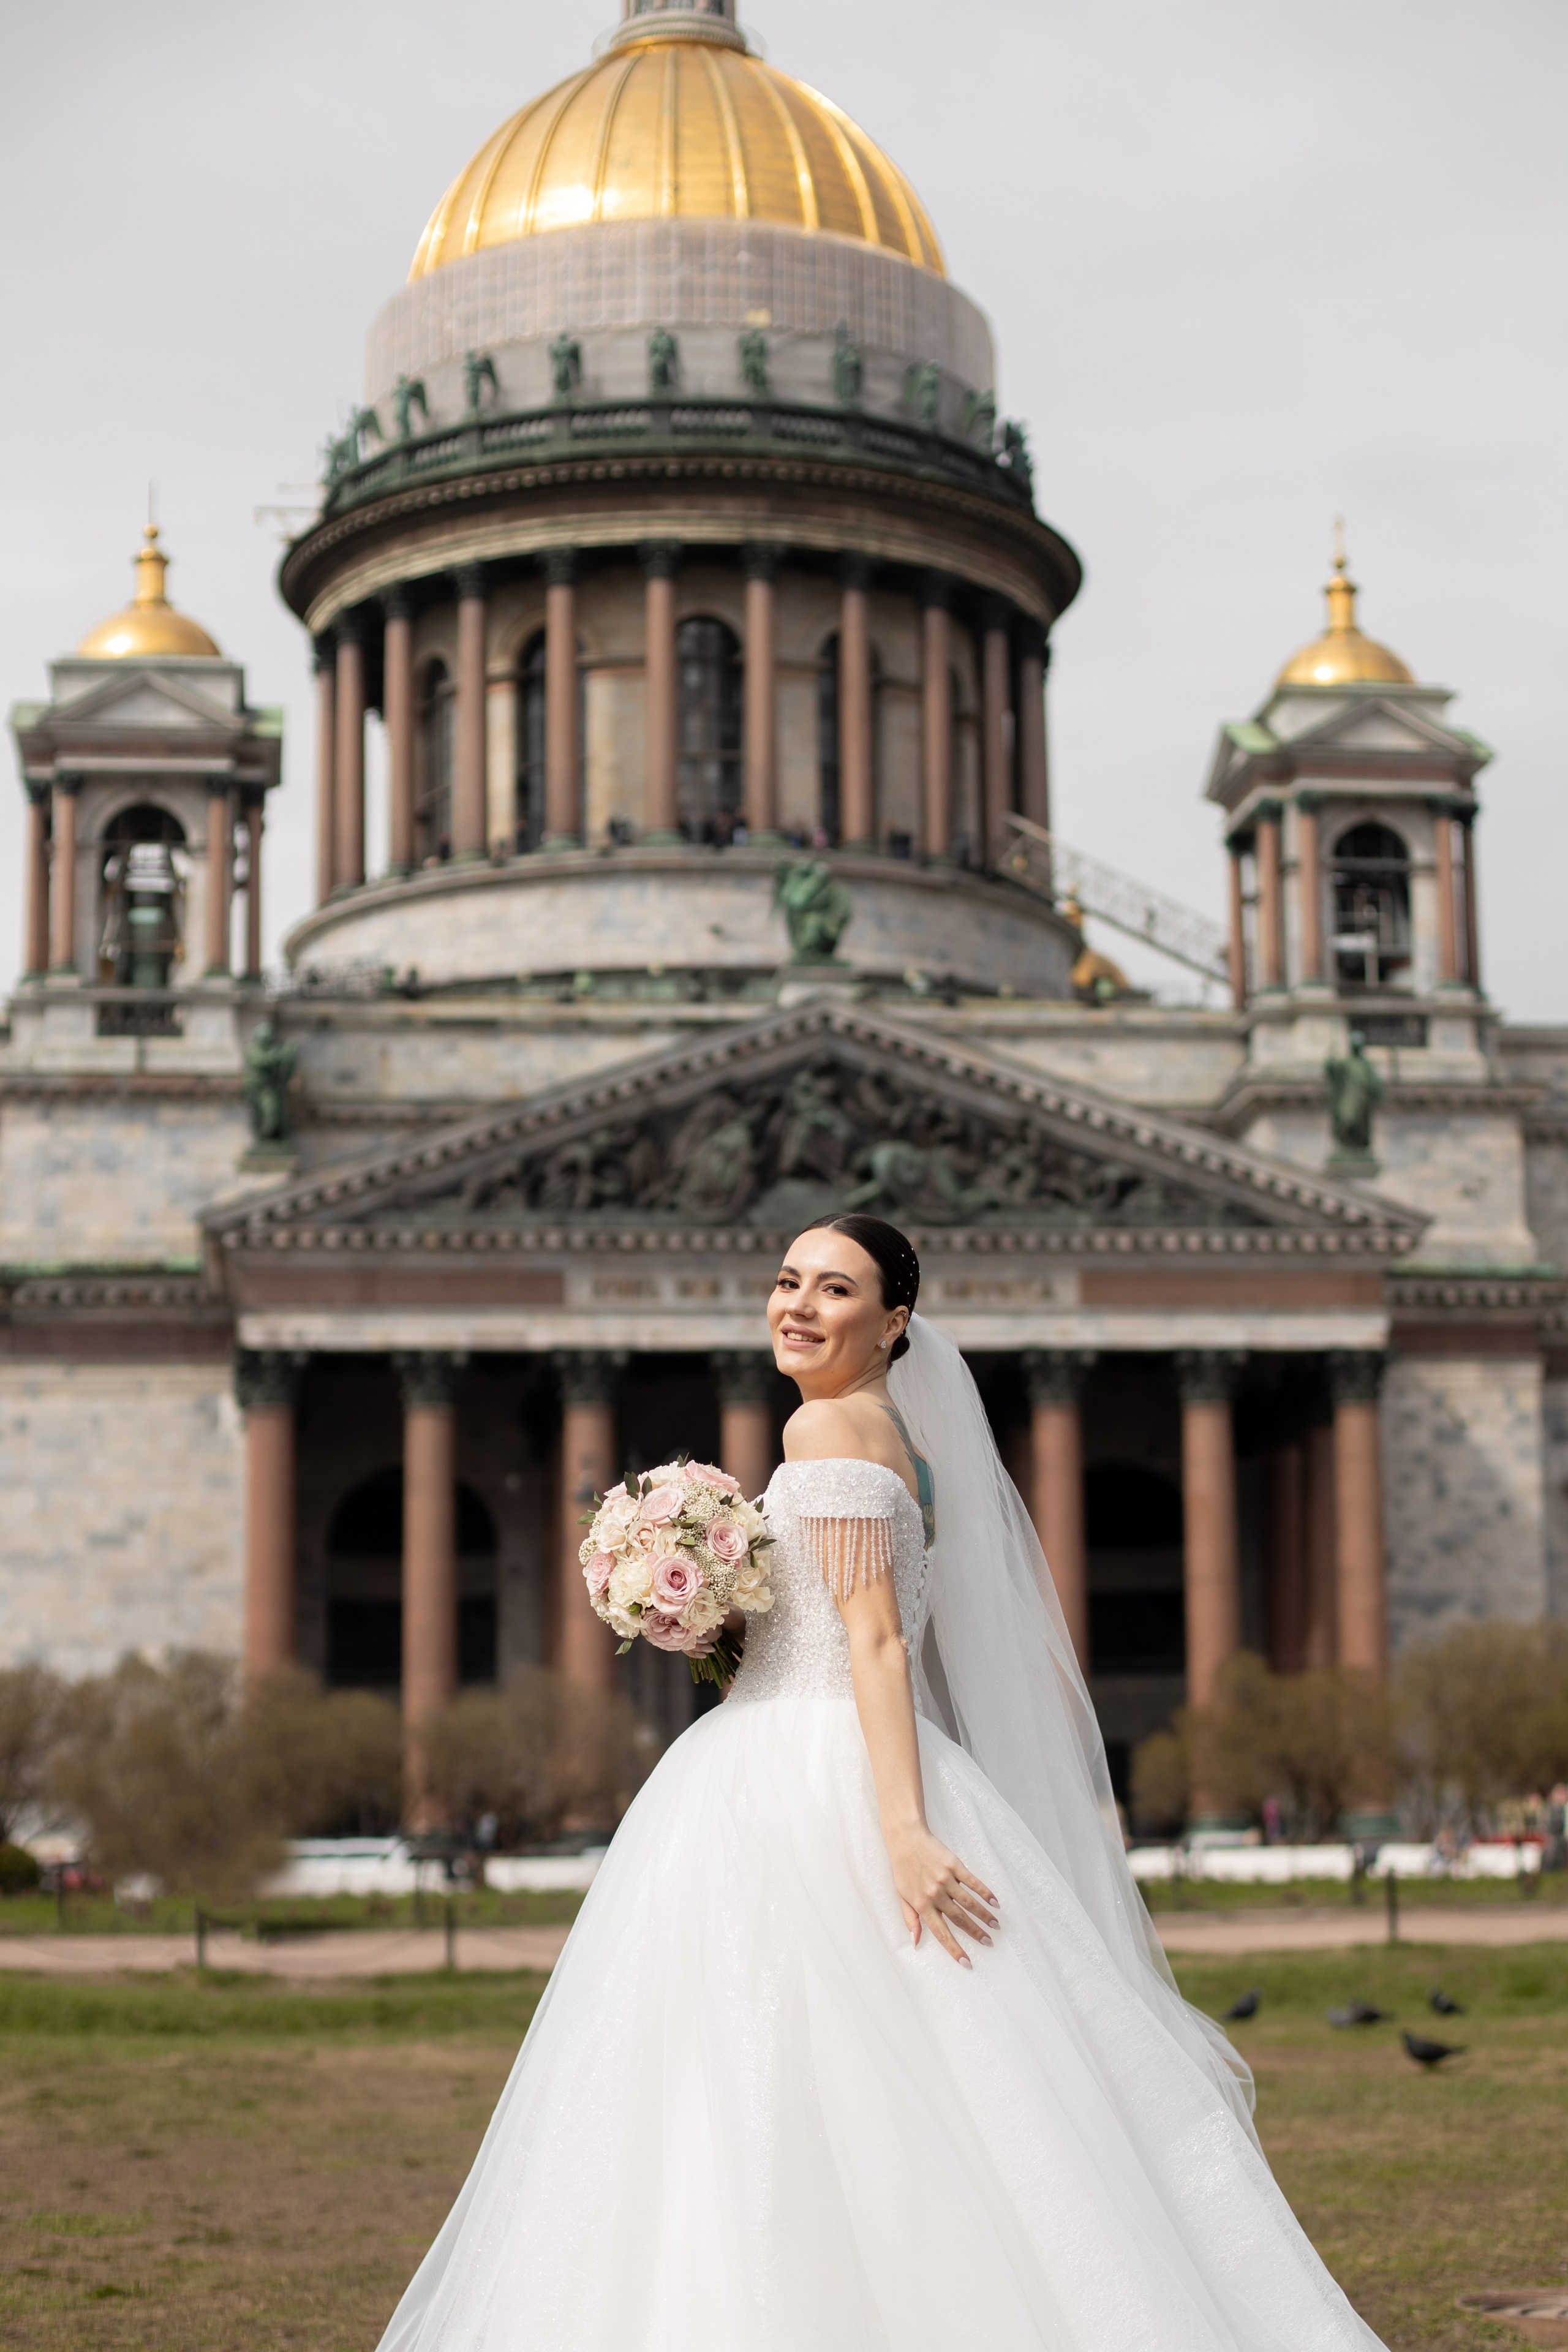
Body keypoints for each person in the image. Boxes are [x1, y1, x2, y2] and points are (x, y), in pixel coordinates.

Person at [376, 1214, 1385, 2351]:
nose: (798, 1305)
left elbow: (877, 1645)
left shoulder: (823, 1432)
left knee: (753, 2074)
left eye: (836, 1290)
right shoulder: (890, 1437)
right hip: (804, 1751)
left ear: (893, 1322)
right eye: (787, 1280)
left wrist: (900, 1828)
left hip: (811, 1775)